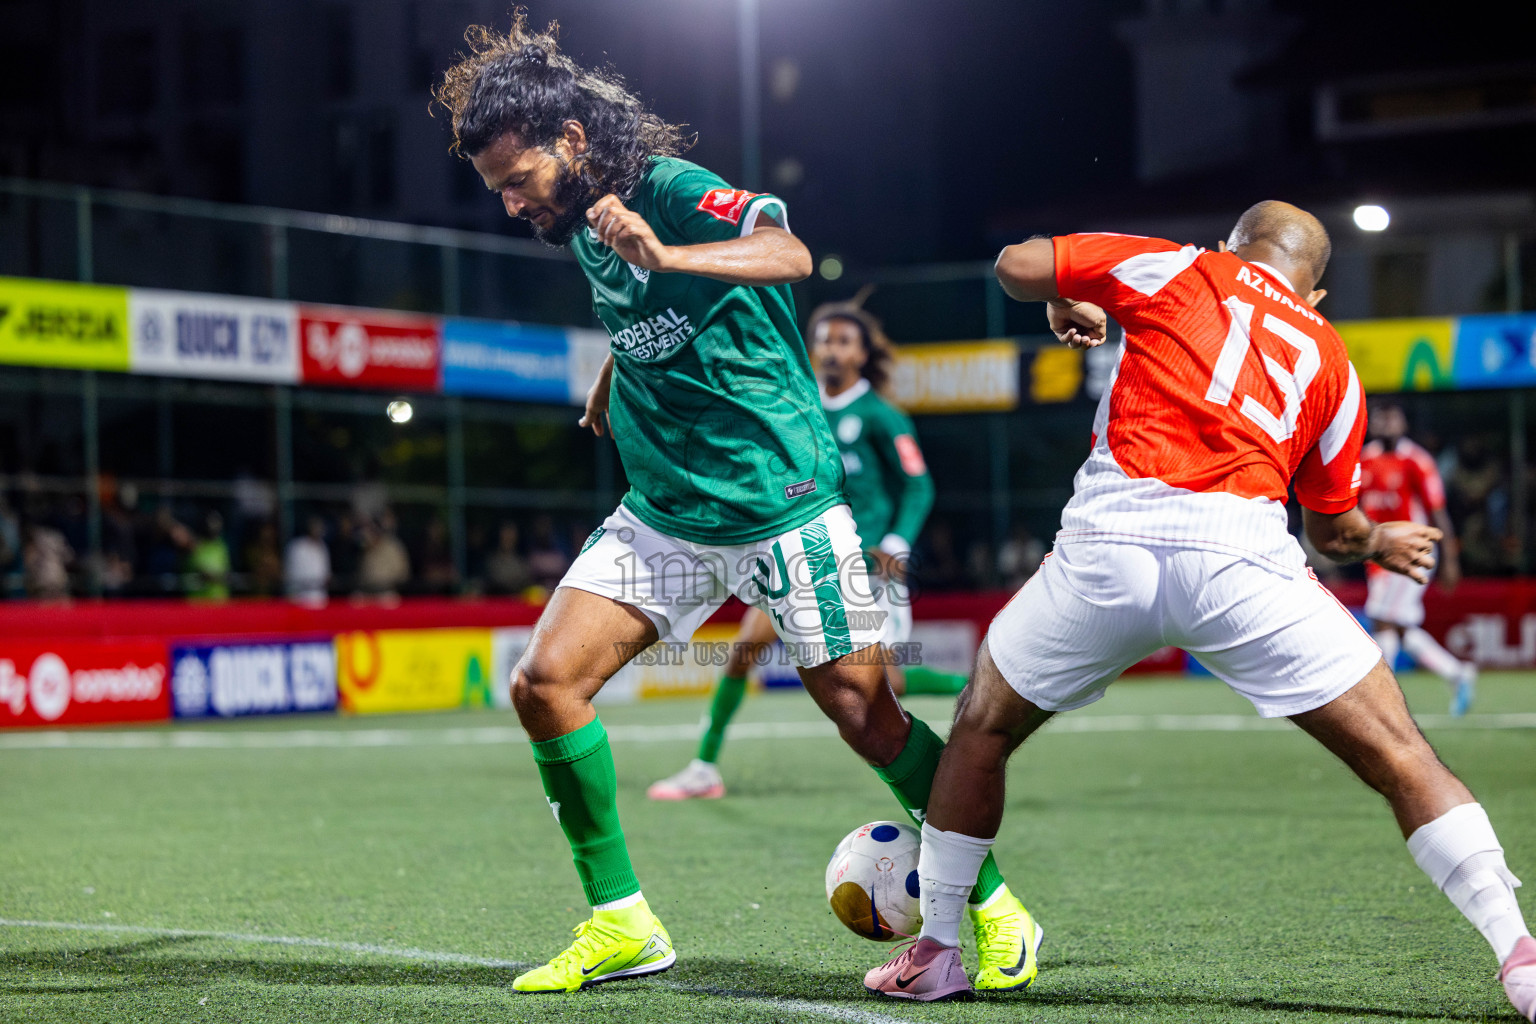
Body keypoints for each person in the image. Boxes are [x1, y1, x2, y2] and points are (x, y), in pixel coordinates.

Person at [433, 13, 1038, 996]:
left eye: (516, 180)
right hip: (668, 508)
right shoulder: (581, 224)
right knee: (545, 684)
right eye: (495, 187)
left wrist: (670, 256)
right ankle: (622, 922)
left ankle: (996, 903)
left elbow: (788, 254)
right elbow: (641, 323)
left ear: (572, 143)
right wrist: (610, 383)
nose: (508, 204)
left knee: (868, 715)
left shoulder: (668, 193)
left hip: (782, 503)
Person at [864, 201, 1536, 1020]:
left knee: (982, 728)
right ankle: (1518, 953)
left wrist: (1062, 297)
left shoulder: (1176, 264)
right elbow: (1335, 528)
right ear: (1316, 294)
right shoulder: (1332, 357)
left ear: (1231, 247)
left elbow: (1015, 261)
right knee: (1403, 757)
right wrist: (1381, 541)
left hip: (1109, 549)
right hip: (1242, 563)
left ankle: (936, 951)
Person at [648, 298, 968, 803]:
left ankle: (975, 690)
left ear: (862, 354)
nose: (832, 349)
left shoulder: (882, 416)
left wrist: (896, 542)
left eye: (844, 341)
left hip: (867, 566)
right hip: (799, 554)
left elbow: (919, 486)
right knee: (742, 651)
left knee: (888, 684)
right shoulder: (799, 406)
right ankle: (703, 766)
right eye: (824, 339)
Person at [1359, 401, 1477, 714]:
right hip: (1378, 552)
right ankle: (1457, 673)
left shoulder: (1417, 461)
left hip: (1412, 548)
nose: (1387, 423)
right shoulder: (1363, 460)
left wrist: (1450, 559)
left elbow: (1438, 511)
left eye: (1392, 416)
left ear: (1403, 423)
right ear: (1372, 424)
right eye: (1381, 417)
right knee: (1399, 627)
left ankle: (1383, 700)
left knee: (1383, 619)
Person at [284, 515, 331, 606]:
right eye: (315, 526)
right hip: (300, 598)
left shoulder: (323, 547)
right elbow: (290, 573)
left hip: (319, 598)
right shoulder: (297, 546)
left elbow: (326, 573)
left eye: (320, 527)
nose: (318, 529)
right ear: (309, 527)